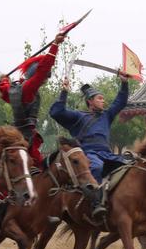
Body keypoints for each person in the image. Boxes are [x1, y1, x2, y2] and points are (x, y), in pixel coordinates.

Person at [0, 33, 66, 235]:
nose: (45, 80)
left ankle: (41, 210)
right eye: (44, 77)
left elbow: (4, 89)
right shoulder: (28, 88)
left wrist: (4, 80)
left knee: (39, 174)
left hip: (22, 138)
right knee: (13, 177)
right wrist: (54, 45)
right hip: (24, 140)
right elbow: (44, 67)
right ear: (35, 74)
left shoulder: (14, 89)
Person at [49, 71, 130, 223]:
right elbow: (56, 112)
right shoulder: (79, 116)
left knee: (129, 167)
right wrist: (64, 92)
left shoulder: (107, 115)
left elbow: (120, 102)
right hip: (88, 155)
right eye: (100, 98)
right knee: (97, 168)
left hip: (107, 154)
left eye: (103, 99)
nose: (103, 101)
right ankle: (96, 204)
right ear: (90, 101)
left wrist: (124, 83)